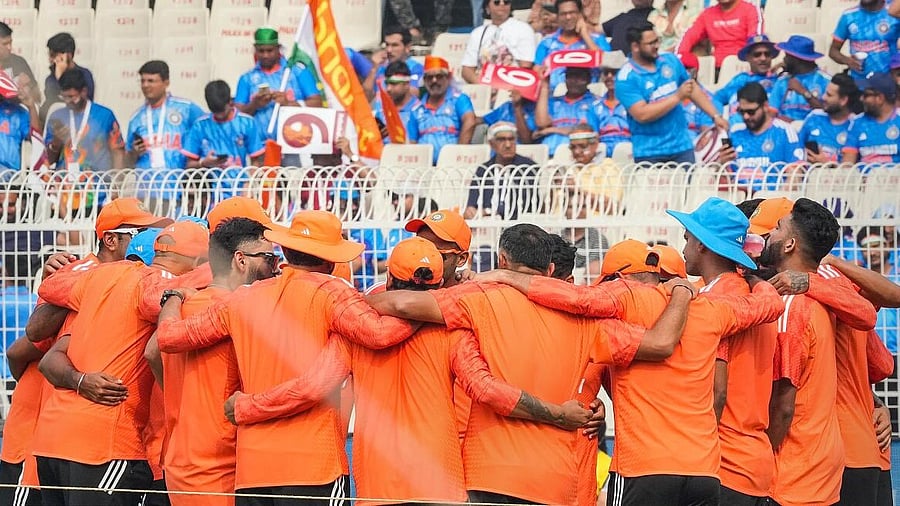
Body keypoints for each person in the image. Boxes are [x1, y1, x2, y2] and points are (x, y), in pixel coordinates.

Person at [222, 235, 598, 505]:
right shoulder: (453, 331)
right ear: (439, 283)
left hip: (377, 487)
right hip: (440, 484)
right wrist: (557, 413)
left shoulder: (355, 332)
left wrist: (246, 406)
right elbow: (487, 390)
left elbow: (311, 387)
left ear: (389, 281)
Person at [367, 224, 701, 505]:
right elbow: (659, 344)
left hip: (491, 478)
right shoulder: (592, 323)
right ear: (552, 270)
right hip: (560, 482)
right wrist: (683, 292)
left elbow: (399, 302)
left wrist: (358, 301)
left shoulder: (478, 299)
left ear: (502, 260)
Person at [475, 229, 784, 506]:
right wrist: (754, 276)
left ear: (619, 279)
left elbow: (576, 300)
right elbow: (769, 306)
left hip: (643, 467)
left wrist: (507, 277)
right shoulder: (713, 309)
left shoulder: (623, 304)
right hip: (703, 470)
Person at [155, 210, 425, 505]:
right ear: (331, 260)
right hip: (313, 470)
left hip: (252, 473)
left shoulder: (243, 299)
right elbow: (380, 334)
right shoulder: (333, 292)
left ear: (284, 250)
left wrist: (174, 297)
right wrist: (430, 304)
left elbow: (169, 339)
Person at [32, 221, 209, 506]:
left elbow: (49, 290)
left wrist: (69, 268)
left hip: (53, 442)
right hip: (104, 443)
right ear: (200, 262)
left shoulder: (100, 279)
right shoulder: (157, 285)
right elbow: (156, 332)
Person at [149, 217, 277, 506]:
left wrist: (180, 399)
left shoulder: (184, 303)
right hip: (222, 463)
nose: (275, 266)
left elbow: (152, 352)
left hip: (182, 458)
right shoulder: (239, 310)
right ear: (241, 260)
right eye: (269, 257)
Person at [667, 198, 779, 504]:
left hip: (723, 464)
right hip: (754, 461)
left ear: (703, 245)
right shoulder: (749, 294)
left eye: (688, 238)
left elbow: (716, 391)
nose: (684, 247)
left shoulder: (716, 301)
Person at [753, 198, 846, 505]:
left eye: (777, 228)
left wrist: (759, 459)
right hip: (820, 469)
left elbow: (783, 404)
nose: (770, 235)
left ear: (790, 243)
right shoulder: (821, 299)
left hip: (790, 475)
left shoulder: (791, 307)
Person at [617, 23, 728, 163]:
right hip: (650, 152)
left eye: (657, 40)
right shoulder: (626, 78)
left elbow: (691, 87)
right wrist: (677, 97)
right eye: (650, 43)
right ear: (635, 47)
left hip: (682, 147)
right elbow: (642, 114)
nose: (656, 46)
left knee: (688, 185)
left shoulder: (670, 60)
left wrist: (715, 115)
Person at [125, 60, 205, 197]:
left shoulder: (186, 109)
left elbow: (206, 132)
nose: (145, 85)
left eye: (151, 81)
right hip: (146, 192)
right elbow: (127, 162)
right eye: (142, 81)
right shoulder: (136, 118)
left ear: (166, 82)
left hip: (178, 190)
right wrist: (134, 153)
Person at [234, 28, 322, 141]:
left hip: (295, 143)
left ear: (278, 49)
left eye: (270, 50)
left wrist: (288, 104)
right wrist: (254, 105)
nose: (265, 55)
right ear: (255, 50)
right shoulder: (247, 78)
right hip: (261, 147)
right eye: (261, 51)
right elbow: (237, 115)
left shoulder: (297, 72)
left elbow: (317, 103)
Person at [717, 82, 804, 192]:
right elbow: (724, 180)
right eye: (741, 111)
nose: (746, 116)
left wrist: (776, 200)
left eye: (751, 112)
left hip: (771, 200)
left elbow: (796, 174)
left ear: (765, 106)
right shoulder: (735, 132)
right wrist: (723, 164)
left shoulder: (784, 131)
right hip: (738, 201)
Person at [45, 69, 125, 172]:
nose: (67, 101)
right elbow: (48, 161)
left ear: (84, 92)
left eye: (71, 96)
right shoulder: (56, 117)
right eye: (64, 97)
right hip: (64, 184)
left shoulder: (104, 116)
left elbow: (118, 151)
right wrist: (56, 142)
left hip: (98, 184)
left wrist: (118, 182)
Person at [182, 80, 265, 169]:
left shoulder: (247, 123)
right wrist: (203, 163)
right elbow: (189, 164)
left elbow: (256, 160)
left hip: (239, 180)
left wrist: (249, 181)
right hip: (209, 180)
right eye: (215, 112)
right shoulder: (200, 126)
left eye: (222, 111)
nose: (219, 116)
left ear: (230, 102)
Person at [407, 56, 476, 164]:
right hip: (424, 168)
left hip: (453, 165)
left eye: (439, 76)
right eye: (429, 77)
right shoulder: (416, 108)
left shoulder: (459, 99)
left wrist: (458, 153)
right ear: (424, 81)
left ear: (448, 78)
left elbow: (470, 121)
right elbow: (412, 142)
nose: (434, 81)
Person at [465, 122, 538, 220]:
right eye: (501, 140)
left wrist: (489, 211)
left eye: (511, 139)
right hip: (487, 224)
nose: (508, 145)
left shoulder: (527, 168)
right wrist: (471, 211)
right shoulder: (483, 170)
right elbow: (472, 203)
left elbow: (526, 204)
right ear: (491, 143)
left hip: (518, 223)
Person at [534, 0, 612, 90]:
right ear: (558, 16)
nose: (568, 17)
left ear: (580, 14)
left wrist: (585, 35)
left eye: (572, 13)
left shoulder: (597, 39)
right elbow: (537, 70)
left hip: (588, 96)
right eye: (563, 14)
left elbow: (608, 65)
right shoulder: (547, 42)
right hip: (552, 97)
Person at [460, 0, 536, 84]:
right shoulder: (478, 33)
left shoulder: (523, 29)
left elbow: (526, 66)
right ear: (487, 8)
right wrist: (483, 85)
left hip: (512, 85)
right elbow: (467, 69)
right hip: (483, 86)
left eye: (506, 2)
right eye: (497, 2)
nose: (502, 4)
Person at [675, 0, 763, 69]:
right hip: (715, 69)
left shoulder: (750, 10)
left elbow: (756, 42)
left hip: (743, 66)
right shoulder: (708, 14)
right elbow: (688, 37)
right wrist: (679, 58)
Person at [534, 66, 601, 156]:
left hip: (578, 155)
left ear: (588, 79)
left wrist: (550, 130)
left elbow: (587, 132)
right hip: (549, 155)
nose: (574, 80)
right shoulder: (554, 102)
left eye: (579, 76)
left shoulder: (595, 103)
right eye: (570, 76)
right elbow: (541, 123)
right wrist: (545, 85)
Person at [714, 34, 779, 123]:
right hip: (737, 130)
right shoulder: (739, 80)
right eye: (757, 55)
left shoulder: (779, 81)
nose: (763, 58)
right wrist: (718, 118)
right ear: (748, 57)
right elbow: (716, 98)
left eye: (767, 54)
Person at [831, 0, 900, 80]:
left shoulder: (893, 12)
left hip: (888, 81)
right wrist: (847, 61)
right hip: (859, 82)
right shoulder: (848, 16)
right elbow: (833, 51)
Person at [799, 73, 860, 163]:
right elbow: (797, 147)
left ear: (843, 100)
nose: (823, 97)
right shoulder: (814, 117)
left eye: (829, 95)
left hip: (838, 176)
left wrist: (827, 163)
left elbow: (852, 167)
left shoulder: (856, 125)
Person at [768, 36, 832, 122]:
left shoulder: (825, 81)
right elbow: (771, 112)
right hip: (785, 130)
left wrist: (803, 92)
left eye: (787, 56)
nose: (784, 59)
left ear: (797, 59)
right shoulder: (782, 81)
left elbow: (828, 114)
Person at [842, 72, 900, 166]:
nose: (861, 99)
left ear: (880, 98)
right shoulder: (857, 122)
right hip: (864, 179)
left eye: (866, 95)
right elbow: (847, 163)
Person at [41, 33, 94, 122]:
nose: (50, 59)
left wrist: (61, 77)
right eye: (49, 55)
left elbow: (85, 102)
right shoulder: (51, 80)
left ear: (68, 55)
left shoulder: (85, 75)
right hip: (59, 123)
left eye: (53, 55)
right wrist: (59, 77)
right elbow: (54, 105)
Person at [363, 27, 424, 99]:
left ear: (408, 47)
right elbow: (365, 97)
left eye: (394, 45)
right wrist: (374, 69)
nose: (389, 50)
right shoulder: (380, 67)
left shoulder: (416, 68)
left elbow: (414, 95)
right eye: (387, 45)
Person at [372, 61, 421, 144]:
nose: (388, 89)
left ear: (407, 84)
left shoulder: (420, 111)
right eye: (387, 84)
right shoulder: (381, 112)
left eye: (393, 84)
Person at [593, 50, 631, 156]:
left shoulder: (634, 103)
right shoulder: (595, 106)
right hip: (601, 156)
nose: (609, 76)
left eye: (614, 72)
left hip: (630, 154)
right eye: (606, 73)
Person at [0, 74, 36, 171]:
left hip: (7, 170)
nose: (21, 88)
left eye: (24, 86)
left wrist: (31, 107)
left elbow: (34, 137)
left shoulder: (19, 112)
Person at [0, 22, 40, 107]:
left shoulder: (18, 62)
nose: (10, 47)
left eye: (10, 43)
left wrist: (28, 87)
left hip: (17, 115)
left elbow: (37, 98)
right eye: (5, 44)